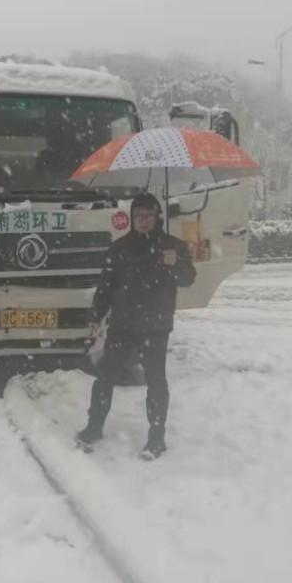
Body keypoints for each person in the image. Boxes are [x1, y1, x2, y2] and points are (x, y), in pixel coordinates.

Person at [76, 192, 196, 459]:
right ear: (132, 218)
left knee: (155, 381)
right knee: (105, 377)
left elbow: (188, 279)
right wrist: (96, 317)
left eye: (149, 215)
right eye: (138, 215)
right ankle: (94, 426)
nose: (143, 220)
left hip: (156, 326)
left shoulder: (172, 247)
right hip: (123, 325)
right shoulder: (119, 248)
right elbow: (107, 286)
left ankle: (156, 437)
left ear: (158, 217)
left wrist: (175, 263)